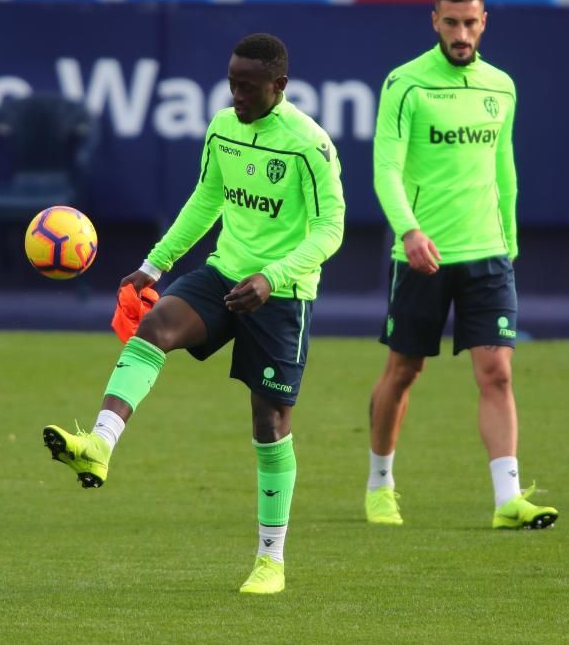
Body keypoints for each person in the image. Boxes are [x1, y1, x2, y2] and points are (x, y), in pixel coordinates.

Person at [43, 33, 345, 594]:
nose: (237, 96)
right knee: (154, 327)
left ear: (279, 85)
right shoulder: (223, 128)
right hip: (225, 273)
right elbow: (207, 198)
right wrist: (154, 266)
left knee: (270, 425)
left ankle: (271, 559)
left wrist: (272, 276)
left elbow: (332, 228)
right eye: (232, 83)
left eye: (249, 87)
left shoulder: (310, 145)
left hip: (283, 293)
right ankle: (99, 446)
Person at [364, 0, 558, 530]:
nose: (461, 33)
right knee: (404, 371)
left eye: (471, 22)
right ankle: (380, 483)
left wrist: (510, 242)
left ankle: (506, 500)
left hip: (489, 252)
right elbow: (386, 169)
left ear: (484, 22)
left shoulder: (501, 86)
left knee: (497, 373)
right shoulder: (406, 84)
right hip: (423, 253)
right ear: (434, 21)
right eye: (451, 22)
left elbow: (504, 169)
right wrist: (408, 231)